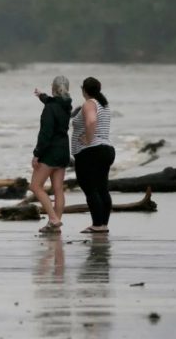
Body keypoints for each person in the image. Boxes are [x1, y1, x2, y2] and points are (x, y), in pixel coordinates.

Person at [72, 77, 115, 233]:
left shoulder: (89, 103)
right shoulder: (104, 105)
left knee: (90, 188)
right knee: (102, 188)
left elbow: (91, 121)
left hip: (91, 152)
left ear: (84, 89)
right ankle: (103, 224)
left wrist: (88, 140)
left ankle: (97, 225)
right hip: (106, 150)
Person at [31, 75, 72, 233]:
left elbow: (45, 134)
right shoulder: (66, 104)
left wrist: (37, 154)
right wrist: (41, 96)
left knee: (35, 186)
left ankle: (53, 219)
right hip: (63, 151)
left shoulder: (50, 108)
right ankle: (56, 224)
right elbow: (51, 101)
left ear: (53, 88)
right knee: (58, 189)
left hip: (50, 152)